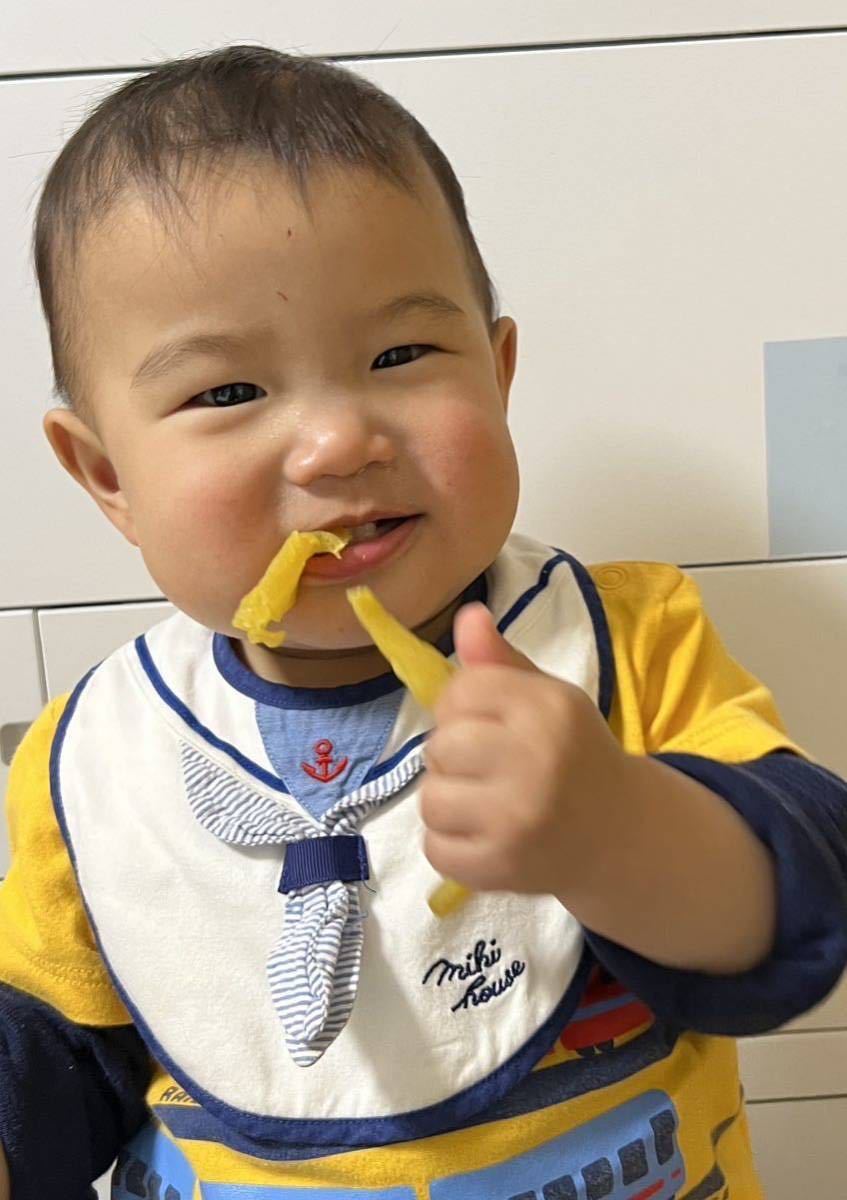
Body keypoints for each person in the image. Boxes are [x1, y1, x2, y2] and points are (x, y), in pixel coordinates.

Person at [1, 44, 846, 1200]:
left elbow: (804, 904)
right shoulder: (97, 760)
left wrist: (622, 831)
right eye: (228, 392)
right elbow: (42, 1077)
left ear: (497, 374)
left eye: (401, 354)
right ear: (106, 476)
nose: (339, 441)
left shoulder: (621, 643)